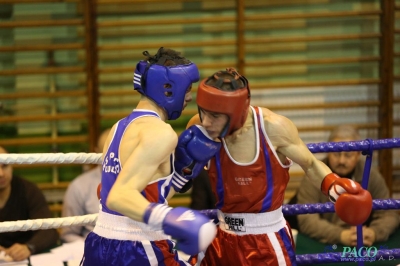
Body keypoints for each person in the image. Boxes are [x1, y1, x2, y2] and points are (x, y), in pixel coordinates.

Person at [176, 67, 373, 266]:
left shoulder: (273, 128)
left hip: (266, 241)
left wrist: (334, 186)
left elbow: (311, 165)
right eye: (204, 112)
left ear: (235, 112)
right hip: (222, 237)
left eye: (215, 116)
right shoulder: (199, 128)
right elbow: (180, 183)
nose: (207, 122)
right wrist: (184, 167)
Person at [82, 47, 219, 266]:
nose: (190, 97)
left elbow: (144, 197)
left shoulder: (118, 128)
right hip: (137, 247)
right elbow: (118, 196)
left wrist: (183, 171)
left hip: (100, 243)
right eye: (187, 89)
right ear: (168, 88)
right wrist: (171, 220)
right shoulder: (161, 132)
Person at [296, 125, 400, 247]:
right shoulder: (313, 176)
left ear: (357, 155)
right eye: (336, 154)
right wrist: (339, 235)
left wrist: (373, 233)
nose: (341, 161)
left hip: (364, 238)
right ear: (329, 153)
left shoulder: (370, 174)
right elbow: (306, 219)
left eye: (348, 155)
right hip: (326, 243)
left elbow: (390, 213)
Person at [0, 146, 59, 262]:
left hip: (27, 259)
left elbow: (49, 231)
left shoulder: (28, 190)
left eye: (5, 166)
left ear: (12, 166)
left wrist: (29, 247)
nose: (1, 173)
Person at [61, 128, 111, 243]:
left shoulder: (146, 182)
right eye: (109, 152)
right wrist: (91, 250)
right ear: (97, 152)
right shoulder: (79, 186)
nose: (115, 157)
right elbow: (68, 234)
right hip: (95, 253)